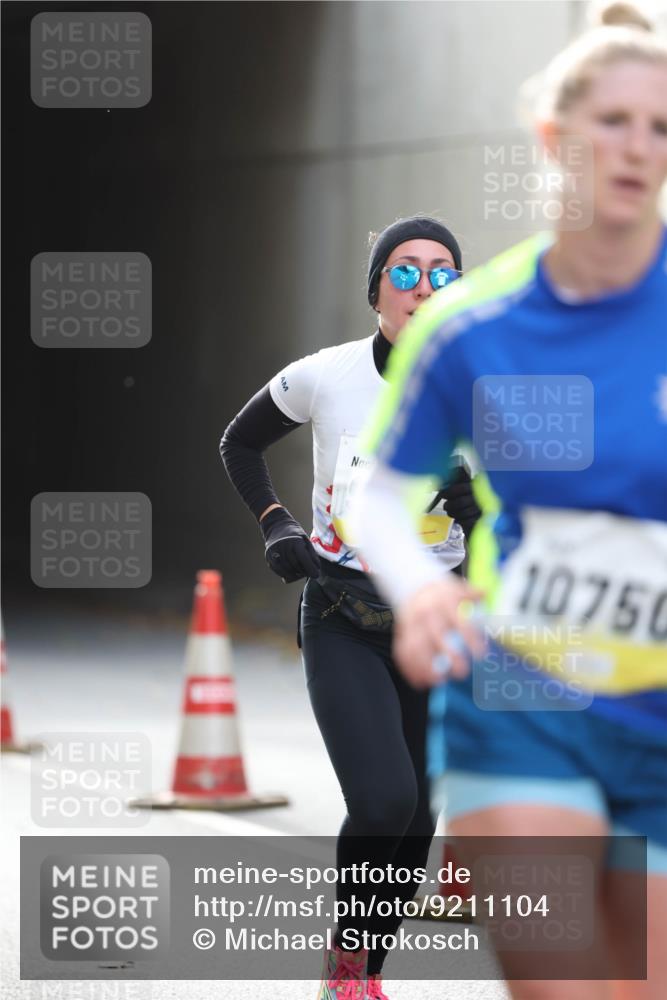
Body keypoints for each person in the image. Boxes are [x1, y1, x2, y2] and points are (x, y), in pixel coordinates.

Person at [356, 4, 667, 998]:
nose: (636, 147)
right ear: (552, 136)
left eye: (660, 127)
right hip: (522, 693)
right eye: (612, 120)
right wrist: (414, 590)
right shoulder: (470, 329)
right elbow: (377, 492)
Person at [220, 215, 480, 999]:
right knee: (382, 801)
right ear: (375, 290)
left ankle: (362, 972)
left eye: (441, 271)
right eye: (404, 271)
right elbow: (240, 441)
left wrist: (480, 508)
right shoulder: (326, 376)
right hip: (342, 614)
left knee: (418, 824)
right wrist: (277, 526)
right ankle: (346, 962)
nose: (423, 285)